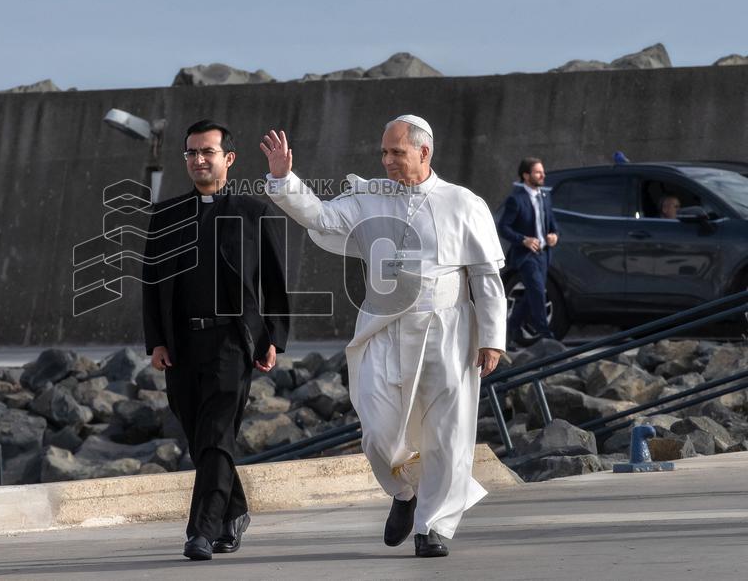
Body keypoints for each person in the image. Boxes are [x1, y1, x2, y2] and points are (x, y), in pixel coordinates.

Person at [260, 115, 506, 558]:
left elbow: (486, 276)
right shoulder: (369, 195)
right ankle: (404, 493)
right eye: (384, 152)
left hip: (448, 329)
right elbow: (322, 217)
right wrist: (284, 179)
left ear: (424, 152)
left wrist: (492, 337)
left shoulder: (464, 203)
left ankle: (433, 527)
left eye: (397, 152)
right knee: (377, 432)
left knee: (446, 432)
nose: (387, 160)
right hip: (384, 327)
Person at [142, 119, 290, 561]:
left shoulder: (253, 211)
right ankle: (236, 510)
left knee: (216, 432)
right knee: (200, 436)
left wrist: (274, 339)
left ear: (228, 158)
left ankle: (201, 532)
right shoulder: (164, 216)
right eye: (191, 153)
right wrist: (156, 342)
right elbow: (150, 284)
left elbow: (276, 282)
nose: (198, 160)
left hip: (232, 342)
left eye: (207, 152)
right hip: (181, 345)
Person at [498, 157, 559, 347]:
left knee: (534, 292)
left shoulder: (544, 196)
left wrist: (554, 235)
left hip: (543, 254)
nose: (543, 175)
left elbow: (552, 224)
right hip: (526, 256)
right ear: (526, 175)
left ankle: (510, 329)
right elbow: (503, 227)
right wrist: (523, 240)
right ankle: (545, 333)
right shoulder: (515, 200)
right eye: (538, 172)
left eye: (542, 171)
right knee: (537, 291)